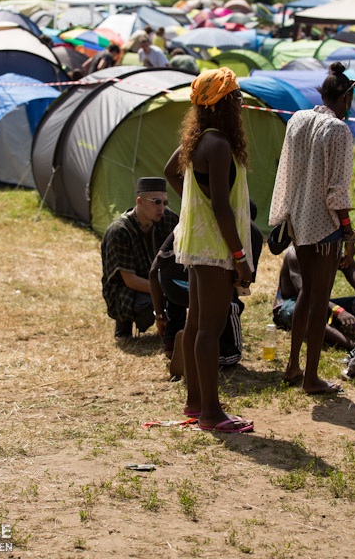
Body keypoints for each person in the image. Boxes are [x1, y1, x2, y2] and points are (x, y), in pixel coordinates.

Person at [165, 67, 254, 433]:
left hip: (199, 243)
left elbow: (172, 172)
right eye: (236, 96)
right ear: (221, 103)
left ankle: (196, 401)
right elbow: (221, 206)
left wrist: (193, 201)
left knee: (197, 322)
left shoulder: (200, 139)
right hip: (215, 246)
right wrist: (239, 257)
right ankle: (212, 414)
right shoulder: (217, 145)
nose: (241, 101)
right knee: (210, 329)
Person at [269, 61, 355, 394]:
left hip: (298, 222)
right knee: (319, 300)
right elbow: (338, 190)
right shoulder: (339, 130)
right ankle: (310, 378)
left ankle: (293, 366)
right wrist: (348, 233)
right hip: (325, 227)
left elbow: (286, 172)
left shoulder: (298, 119)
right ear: (346, 96)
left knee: (308, 292)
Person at [150, 200, 263, 363]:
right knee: (229, 304)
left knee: (179, 283)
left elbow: (154, 269)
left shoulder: (191, 221)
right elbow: (243, 281)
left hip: (173, 287)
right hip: (209, 288)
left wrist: (160, 315)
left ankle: (172, 343)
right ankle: (223, 354)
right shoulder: (252, 232)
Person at [101, 177, 178, 339]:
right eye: (156, 202)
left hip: (158, 280)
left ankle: (175, 329)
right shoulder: (119, 231)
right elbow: (130, 280)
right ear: (139, 201)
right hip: (126, 291)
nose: (161, 208)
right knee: (147, 304)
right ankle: (124, 326)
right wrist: (167, 291)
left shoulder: (169, 220)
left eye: (165, 203)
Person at [273, 246, 355, 351]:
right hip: (291, 305)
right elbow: (306, 293)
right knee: (309, 312)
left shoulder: (338, 253)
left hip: (321, 304)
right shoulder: (296, 253)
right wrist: (337, 310)